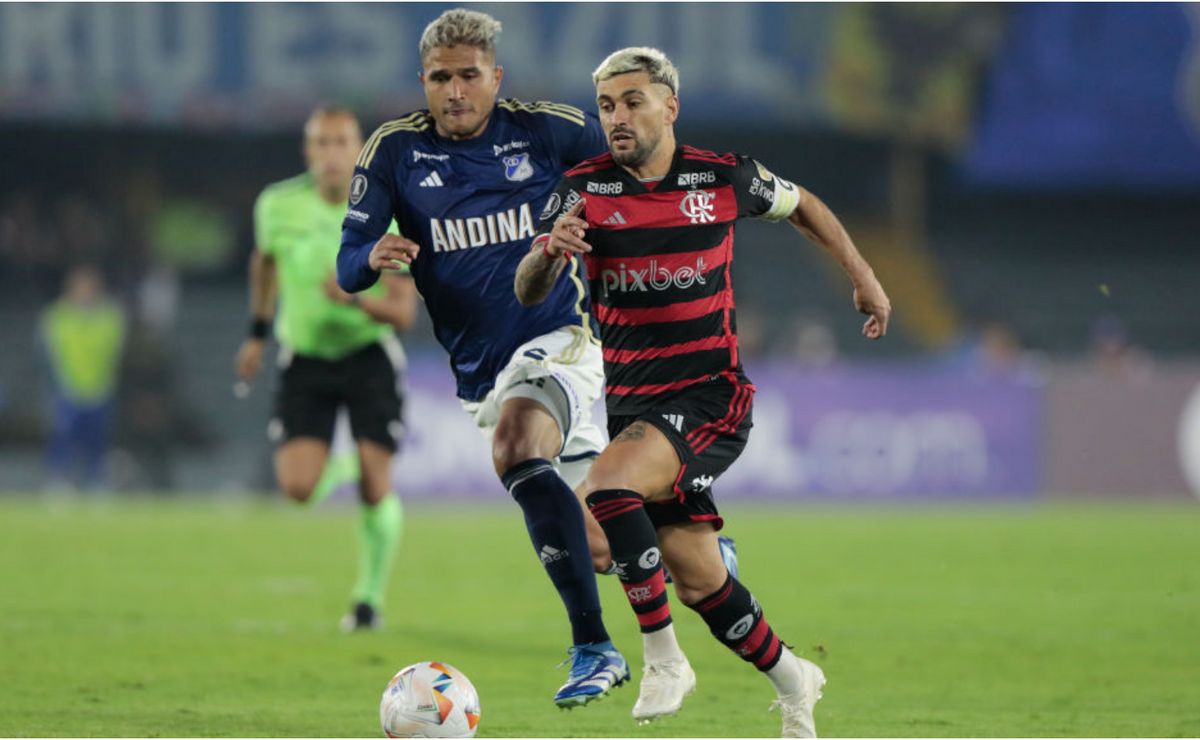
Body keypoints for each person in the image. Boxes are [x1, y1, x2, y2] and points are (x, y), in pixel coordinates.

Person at [514, 48, 892, 738]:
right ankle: (794, 681)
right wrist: (547, 252)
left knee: (608, 487)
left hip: (711, 396)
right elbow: (528, 288)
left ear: (670, 106)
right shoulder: (582, 190)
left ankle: (663, 658)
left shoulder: (724, 178)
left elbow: (803, 203)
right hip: (634, 407)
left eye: (632, 102)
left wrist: (862, 274)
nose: (617, 118)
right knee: (686, 577)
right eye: (606, 106)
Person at [336, 8, 644, 707]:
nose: (454, 92)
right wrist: (370, 257)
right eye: (440, 78)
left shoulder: (545, 128)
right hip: (481, 373)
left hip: (561, 337)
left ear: (494, 79)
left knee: (515, 445)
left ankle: (594, 648)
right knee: (599, 545)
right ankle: (690, 536)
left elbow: (632, 171)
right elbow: (347, 257)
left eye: (468, 77)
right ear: (423, 80)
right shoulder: (393, 150)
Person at [234, 106, 418, 632]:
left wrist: (354, 299)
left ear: (359, 151)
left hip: (368, 356)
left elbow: (403, 313)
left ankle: (368, 600)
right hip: (306, 357)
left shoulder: (389, 210)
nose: (332, 155)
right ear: (308, 151)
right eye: (321, 143)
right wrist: (256, 332)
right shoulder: (277, 205)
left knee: (376, 488)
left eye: (342, 143)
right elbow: (265, 262)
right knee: (297, 490)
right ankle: (342, 467)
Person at [40, 266, 126, 491]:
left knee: (97, 439)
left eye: (90, 288)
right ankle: (58, 480)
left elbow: (115, 351)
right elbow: (47, 354)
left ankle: (96, 482)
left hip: (100, 388)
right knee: (64, 437)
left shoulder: (110, 316)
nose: (86, 292)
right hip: (68, 389)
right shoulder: (57, 316)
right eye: (81, 288)